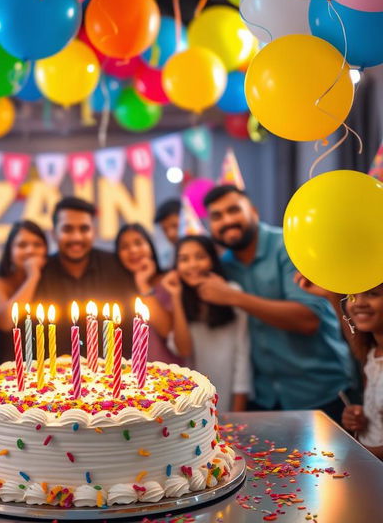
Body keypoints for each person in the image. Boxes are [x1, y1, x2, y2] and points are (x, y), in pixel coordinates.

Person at [201, 184, 353, 420]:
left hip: (321, 394)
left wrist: (233, 297)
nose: (227, 220)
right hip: (265, 400)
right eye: (217, 216)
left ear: (253, 211)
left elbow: (307, 320)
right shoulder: (225, 266)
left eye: (234, 210)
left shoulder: (289, 246)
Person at [295, 276, 383, 459]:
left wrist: (355, 454)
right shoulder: (371, 354)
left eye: (372, 294)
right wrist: (360, 415)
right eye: (352, 296)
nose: (358, 303)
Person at [162, 235, 251, 412]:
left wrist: (239, 410)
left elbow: (243, 355)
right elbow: (184, 349)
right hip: (192, 399)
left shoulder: (232, 291)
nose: (193, 264)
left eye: (200, 256)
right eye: (184, 259)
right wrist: (176, 296)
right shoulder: (180, 299)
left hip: (227, 393)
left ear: (212, 260)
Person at [36, 197, 134, 351]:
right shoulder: (40, 273)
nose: (77, 237)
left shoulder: (116, 266)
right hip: (55, 372)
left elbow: (128, 327)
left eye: (84, 229)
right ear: (54, 233)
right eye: (67, 229)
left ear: (93, 232)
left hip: (110, 370)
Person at [114, 223, 180, 365]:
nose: (133, 250)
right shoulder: (118, 290)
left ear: (150, 246)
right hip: (132, 375)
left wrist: (143, 284)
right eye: (124, 247)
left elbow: (167, 330)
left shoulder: (168, 282)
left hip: (166, 374)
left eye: (138, 243)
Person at [0, 220, 48, 363]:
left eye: (37, 244)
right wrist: (33, 276)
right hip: (11, 372)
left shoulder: (52, 281)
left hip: (50, 369)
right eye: (22, 245)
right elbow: (6, 321)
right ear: (9, 251)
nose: (30, 250)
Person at [154, 198, 181, 268]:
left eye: (175, 226)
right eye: (165, 230)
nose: (170, 234)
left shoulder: (210, 248)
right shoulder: (167, 259)